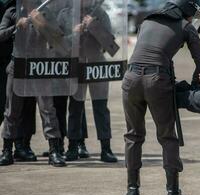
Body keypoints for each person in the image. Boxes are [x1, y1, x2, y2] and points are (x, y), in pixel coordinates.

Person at [122, 1, 200, 195]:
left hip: (131, 78)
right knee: (167, 136)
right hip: (157, 80)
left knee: (133, 136)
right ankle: (173, 192)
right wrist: (195, 85)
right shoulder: (187, 27)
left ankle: (132, 191)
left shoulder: (146, 21)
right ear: (187, 11)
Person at [0, 0, 66, 167]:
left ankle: (54, 151)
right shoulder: (12, 12)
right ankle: (7, 150)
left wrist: (41, 23)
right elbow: (1, 35)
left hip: (40, 66)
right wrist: (16, 26)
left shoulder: (45, 12)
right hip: (18, 65)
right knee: (11, 110)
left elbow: (58, 39)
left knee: (47, 109)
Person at [56, 0, 118, 163]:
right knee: (75, 108)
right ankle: (73, 147)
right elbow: (57, 44)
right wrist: (75, 33)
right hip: (76, 65)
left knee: (101, 108)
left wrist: (94, 26)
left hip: (97, 65)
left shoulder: (100, 13)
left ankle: (106, 149)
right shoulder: (65, 14)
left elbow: (111, 45)